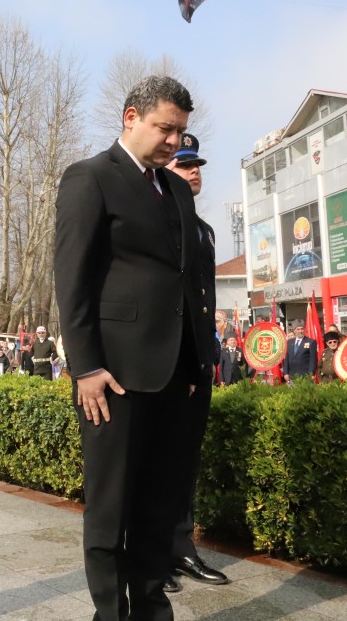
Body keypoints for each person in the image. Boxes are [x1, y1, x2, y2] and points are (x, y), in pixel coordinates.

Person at [55, 75, 214, 621]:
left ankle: (151, 611)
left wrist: (194, 363)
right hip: (113, 376)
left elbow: (186, 282)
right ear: (131, 117)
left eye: (180, 131)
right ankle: (110, 615)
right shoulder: (91, 177)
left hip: (173, 376)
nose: (173, 141)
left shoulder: (175, 190)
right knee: (110, 509)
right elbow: (72, 280)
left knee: (157, 506)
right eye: (164, 128)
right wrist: (86, 367)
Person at [162, 130, 230, 593]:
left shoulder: (203, 230)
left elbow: (204, 300)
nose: (193, 172)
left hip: (198, 362)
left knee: (186, 458)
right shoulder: (156, 223)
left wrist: (206, 357)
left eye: (197, 165)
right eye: (184, 165)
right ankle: (149, 552)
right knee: (156, 461)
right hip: (165, 363)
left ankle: (181, 545)